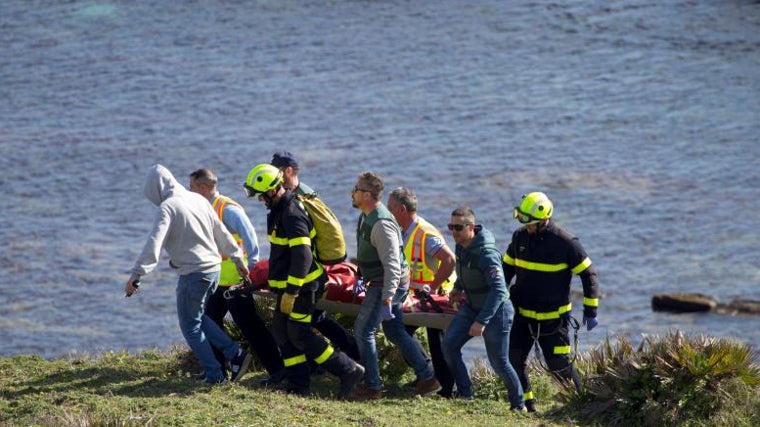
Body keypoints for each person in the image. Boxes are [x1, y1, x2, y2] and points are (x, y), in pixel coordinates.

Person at [243, 164, 364, 398]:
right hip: (289, 287)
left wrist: (292, 291)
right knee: (281, 331)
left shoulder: (291, 212)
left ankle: (348, 369)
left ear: (272, 190)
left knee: (298, 333)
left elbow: (303, 256)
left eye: (260, 194)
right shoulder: (279, 210)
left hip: (303, 287)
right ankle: (299, 384)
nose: (259, 199)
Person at [124, 164, 252, 384]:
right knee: (199, 318)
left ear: (157, 189)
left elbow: (153, 245)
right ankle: (235, 354)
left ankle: (216, 374)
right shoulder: (198, 199)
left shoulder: (168, 207)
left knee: (189, 326)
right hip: (214, 270)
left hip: (194, 274)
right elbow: (221, 232)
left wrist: (136, 275)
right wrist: (238, 258)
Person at [503, 192, 600, 412]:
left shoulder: (566, 243)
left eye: (532, 224)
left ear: (544, 219)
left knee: (559, 365)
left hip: (554, 320)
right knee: (514, 360)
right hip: (522, 316)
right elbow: (505, 270)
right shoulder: (519, 238)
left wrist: (590, 309)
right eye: (525, 224)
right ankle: (525, 405)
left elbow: (589, 274)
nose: (527, 228)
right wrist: (497, 298)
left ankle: (580, 404)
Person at [188, 168, 285, 384]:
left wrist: (251, 270)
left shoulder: (227, 209)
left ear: (203, 188)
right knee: (211, 322)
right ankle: (217, 371)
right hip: (218, 281)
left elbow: (250, 237)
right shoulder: (205, 207)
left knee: (250, 326)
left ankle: (278, 369)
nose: (189, 191)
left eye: (192, 187)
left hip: (236, 281)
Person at [350, 172, 441, 400]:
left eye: (357, 189)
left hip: (388, 284)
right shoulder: (365, 216)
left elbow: (392, 266)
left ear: (368, 195)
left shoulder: (381, 224)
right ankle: (428, 377)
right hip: (382, 281)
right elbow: (364, 256)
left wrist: (388, 298)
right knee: (394, 330)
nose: (353, 192)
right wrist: (359, 285)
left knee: (364, 331)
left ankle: (372, 387)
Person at [270, 151, 360, 362]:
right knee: (317, 319)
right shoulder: (304, 193)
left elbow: (305, 244)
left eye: (276, 172)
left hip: (309, 273)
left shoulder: (297, 199)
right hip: (310, 271)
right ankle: (352, 355)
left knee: (306, 324)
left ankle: (348, 362)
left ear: (288, 171)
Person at [441, 206, 525, 410]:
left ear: (470, 227)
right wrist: (457, 288)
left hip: (496, 312)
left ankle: (519, 404)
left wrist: (482, 321)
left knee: (499, 363)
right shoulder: (461, 245)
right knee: (449, 346)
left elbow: (499, 291)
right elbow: (463, 270)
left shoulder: (487, 255)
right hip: (472, 306)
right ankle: (465, 394)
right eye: (450, 226)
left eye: (458, 228)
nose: (453, 232)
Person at [386, 187, 457, 398]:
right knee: (399, 331)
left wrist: (433, 286)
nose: (387, 212)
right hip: (415, 296)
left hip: (436, 296)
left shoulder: (425, 233)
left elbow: (450, 260)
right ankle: (427, 375)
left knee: (438, 344)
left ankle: (445, 389)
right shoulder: (403, 230)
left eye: (390, 209)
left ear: (401, 209)